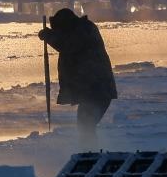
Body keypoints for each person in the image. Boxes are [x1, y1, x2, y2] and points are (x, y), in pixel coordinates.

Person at [38, 8, 117, 147]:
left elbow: (68, 45)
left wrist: (50, 36)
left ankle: (90, 154)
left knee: (85, 125)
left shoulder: (84, 30)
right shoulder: (79, 29)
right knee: (85, 126)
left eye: (60, 31)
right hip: (91, 90)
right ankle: (89, 153)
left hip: (97, 89)